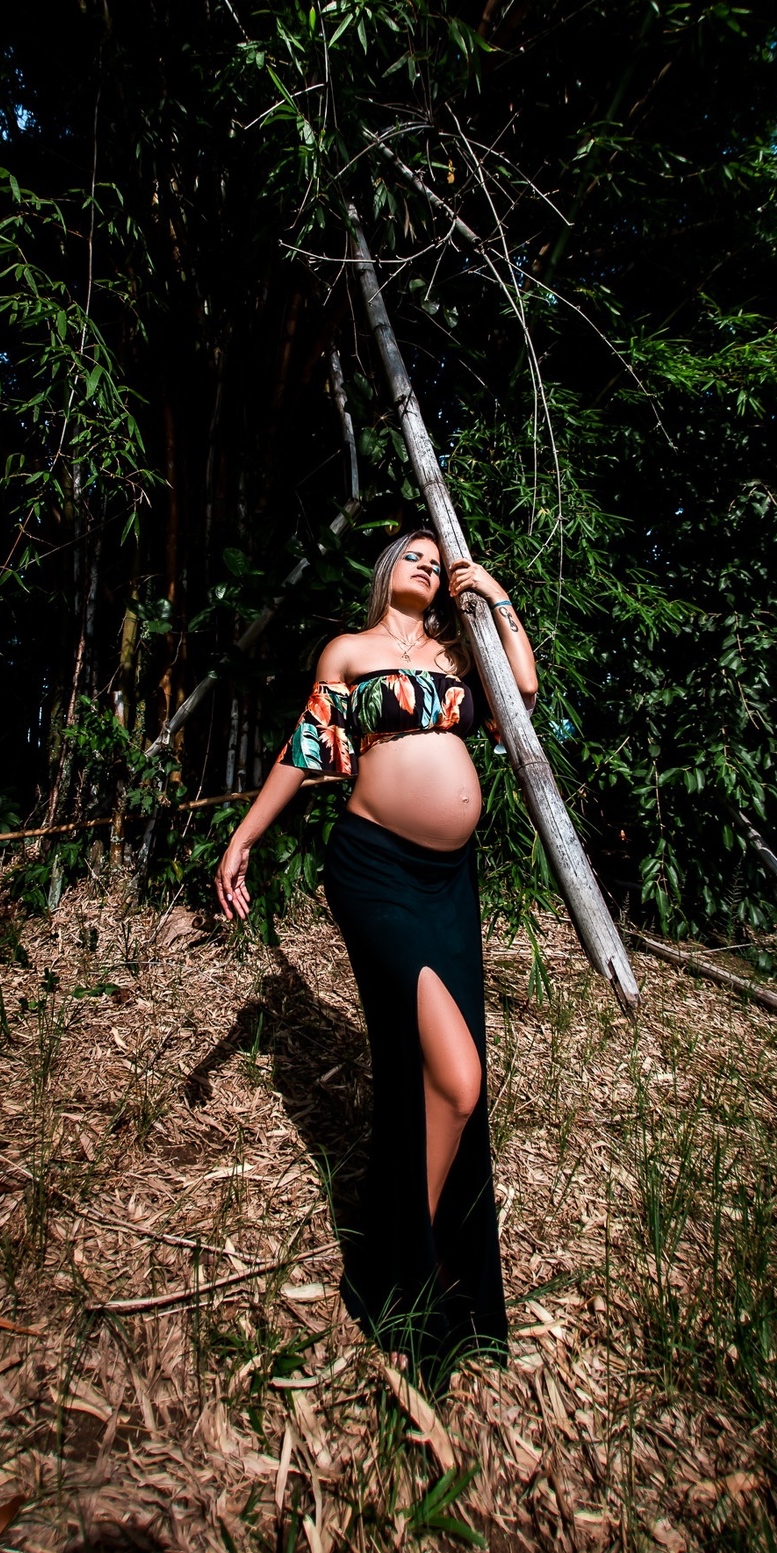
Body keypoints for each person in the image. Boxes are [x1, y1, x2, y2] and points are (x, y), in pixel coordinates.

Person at [214, 530, 538, 1387]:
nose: (426, 566)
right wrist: (243, 838)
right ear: (387, 571)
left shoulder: (458, 655)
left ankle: (414, 1270)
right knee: (458, 1078)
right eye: (413, 556)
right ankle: (405, 1265)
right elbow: (306, 747)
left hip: (450, 884)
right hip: (375, 870)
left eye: (438, 561)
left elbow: (522, 694)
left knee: (439, 1076)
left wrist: (495, 595)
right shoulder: (350, 653)